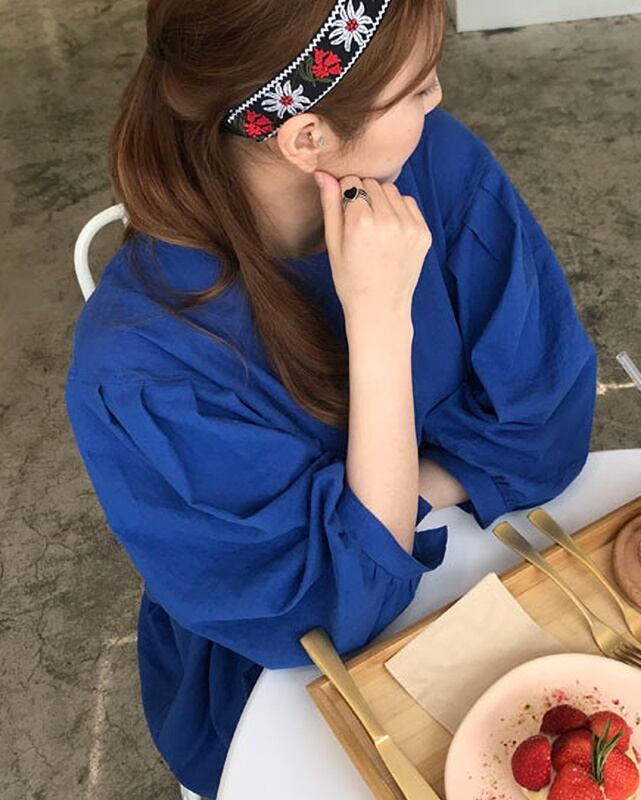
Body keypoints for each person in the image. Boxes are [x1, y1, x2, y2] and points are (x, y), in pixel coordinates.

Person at [65, 0, 598, 796]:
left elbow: (548, 420)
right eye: (417, 87)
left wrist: (384, 503)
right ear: (307, 138)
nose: (439, 99)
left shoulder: (436, 163)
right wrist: (379, 325)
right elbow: (328, 613)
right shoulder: (140, 362)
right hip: (275, 691)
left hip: (474, 568)